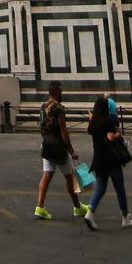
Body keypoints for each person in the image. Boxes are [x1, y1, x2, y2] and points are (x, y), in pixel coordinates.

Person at [81, 96, 132, 230]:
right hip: (111, 159)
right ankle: (125, 218)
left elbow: (91, 130)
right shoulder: (108, 120)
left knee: (100, 188)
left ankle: (89, 213)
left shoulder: (93, 122)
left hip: (99, 160)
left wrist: (91, 118)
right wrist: (118, 135)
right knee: (119, 189)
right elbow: (110, 137)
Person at [33, 82, 85, 220]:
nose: (62, 92)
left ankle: (40, 207)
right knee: (70, 176)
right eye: (60, 90)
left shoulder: (43, 106)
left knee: (47, 174)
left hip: (46, 144)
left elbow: (42, 126)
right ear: (56, 92)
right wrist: (71, 150)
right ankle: (78, 207)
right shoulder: (58, 108)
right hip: (58, 147)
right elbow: (63, 130)